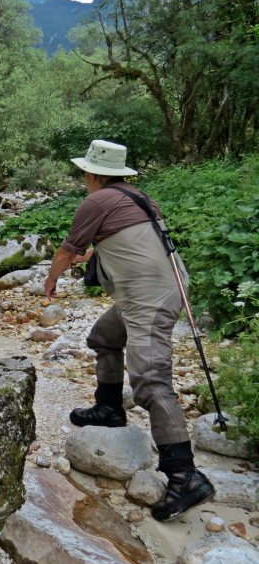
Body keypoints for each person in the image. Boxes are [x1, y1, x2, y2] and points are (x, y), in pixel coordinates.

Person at [44, 139, 215, 521]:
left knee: (151, 381)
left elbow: (68, 251)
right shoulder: (137, 197)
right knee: (104, 337)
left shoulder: (97, 201)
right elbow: (125, 243)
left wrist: (51, 279)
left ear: (91, 173)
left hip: (147, 299)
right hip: (159, 291)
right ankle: (109, 409)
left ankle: (184, 475)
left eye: (84, 172)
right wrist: (93, 255)